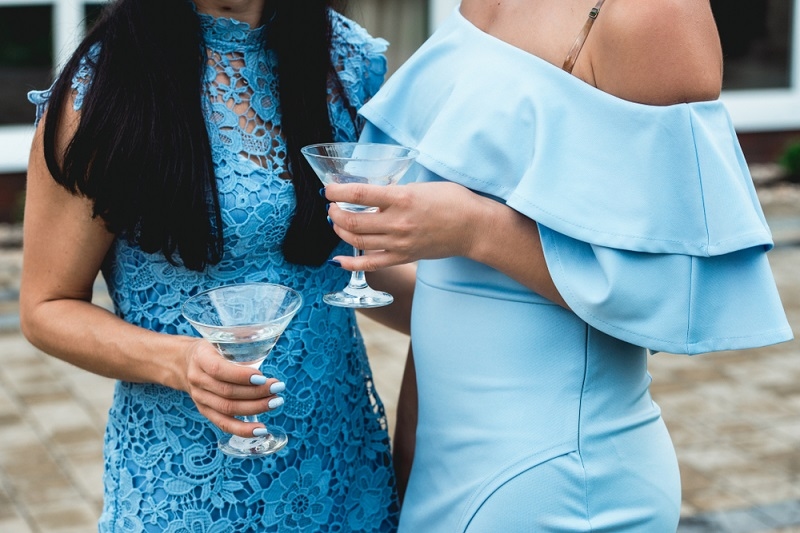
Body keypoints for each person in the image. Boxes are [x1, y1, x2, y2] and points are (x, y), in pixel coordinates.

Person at [323, 0, 795, 530]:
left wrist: (477, 228)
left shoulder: (655, 13)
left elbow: (681, 289)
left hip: (556, 480)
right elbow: (455, 294)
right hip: (437, 460)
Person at [20, 0, 410, 530]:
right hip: (191, 490)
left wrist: (488, 301)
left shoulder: (345, 58)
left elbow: (339, 262)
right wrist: (179, 362)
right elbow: (46, 307)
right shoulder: (102, 88)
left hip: (342, 465)